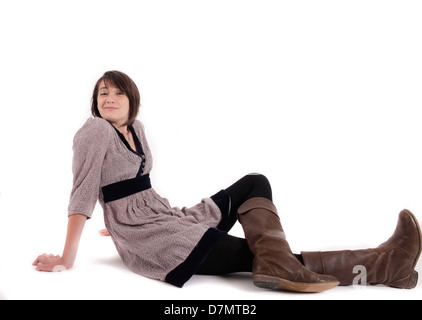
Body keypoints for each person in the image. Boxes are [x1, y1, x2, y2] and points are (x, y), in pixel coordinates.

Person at [33, 71, 421, 292]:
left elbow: (132, 184)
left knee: (255, 182)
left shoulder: (137, 129)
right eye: (103, 92)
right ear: (95, 102)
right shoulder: (94, 130)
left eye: (119, 92)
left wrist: (119, 219)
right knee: (260, 258)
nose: (110, 98)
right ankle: (385, 265)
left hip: (169, 217)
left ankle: (282, 265)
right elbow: (82, 193)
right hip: (152, 238)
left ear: (133, 101)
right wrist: (70, 257)